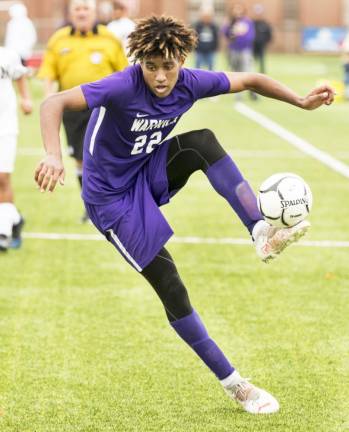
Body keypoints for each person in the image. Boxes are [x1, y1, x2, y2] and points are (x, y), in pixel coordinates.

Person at [34, 16, 334, 414]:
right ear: (140, 61)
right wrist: (53, 153)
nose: (160, 76)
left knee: (202, 143)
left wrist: (300, 100)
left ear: (182, 60)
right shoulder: (122, 85)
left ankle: (259, 231)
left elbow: (250, 80)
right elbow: (53, 101)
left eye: (169, 65)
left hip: (146, 170)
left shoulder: (191, 82)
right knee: (171, 287)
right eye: (151, 66)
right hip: (111, 199)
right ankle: (236, 385)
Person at [37, 0, 128, 222]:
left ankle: (114, 202)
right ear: (71, 13)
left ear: (94, 13)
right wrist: (49, 97)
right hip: (71, 109)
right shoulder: (59, 39)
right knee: (80, 159)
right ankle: (91, 206)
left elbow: (124, 72)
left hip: (104, 107)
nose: (81, 13)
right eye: (77, 9)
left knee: (104, 156)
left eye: (85, 9)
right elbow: (49, 72)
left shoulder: (109, 38)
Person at [0, 46, 32, 252]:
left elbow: (20, 75)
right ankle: (15, 218)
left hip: (5, 126)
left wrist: (26, 98)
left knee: (2, 178)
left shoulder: (7, 54)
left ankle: (3, 232)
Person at [222, 3, 256, 99]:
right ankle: (238, 95)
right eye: (235, 10)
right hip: (233, 50)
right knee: (235, 72)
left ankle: (253, 93)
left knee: (247, 71)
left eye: (239, 9)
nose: (237, 12)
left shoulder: (247, 22)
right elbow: (225, 33)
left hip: (245, 50)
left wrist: (241, 37)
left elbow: (251, 36)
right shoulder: (230, 22)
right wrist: (228, 28)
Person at [193, 7, 219, 71]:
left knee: (211, 68)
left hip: (210, 51)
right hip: (199, 51)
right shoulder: (198, 26)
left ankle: (211, 80)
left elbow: (216, 38)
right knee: (197, 68)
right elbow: (194, 37)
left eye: (208, 16)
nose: (206, 18)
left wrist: (215, 48)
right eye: (204, 16)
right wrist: (196, 48)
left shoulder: (213, 26)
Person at [252, 4, 272, 74]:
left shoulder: (265, 24)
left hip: (262, 45)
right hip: (253, 45)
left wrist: (266, 42)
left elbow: (269, 35)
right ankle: (252, 72)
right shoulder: (252, 23)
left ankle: (262, 72)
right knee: (252, 60)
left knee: (262, 60)